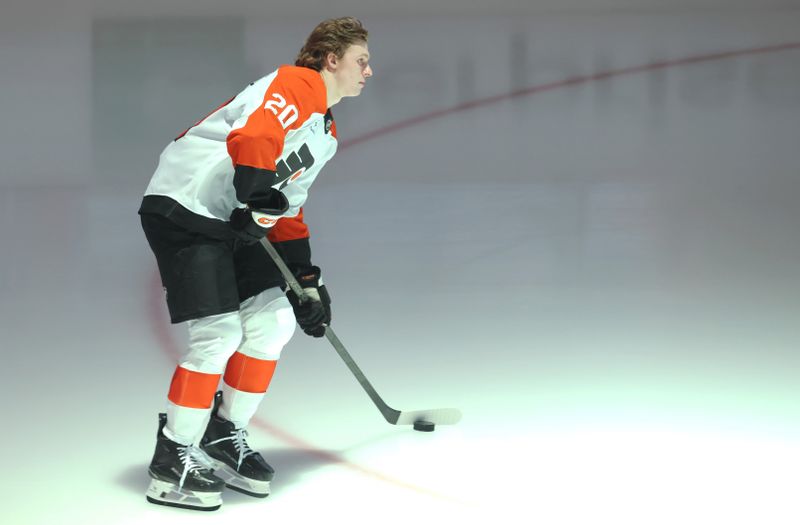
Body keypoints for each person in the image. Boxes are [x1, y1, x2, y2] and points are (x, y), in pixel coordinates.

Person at [138, 17, 372, 511]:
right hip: (185, 206)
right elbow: (255, 136)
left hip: (233, 217)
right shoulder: (299, 83)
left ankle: (224, 435)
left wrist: (306, 279)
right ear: (332, 59)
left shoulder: (325, 132)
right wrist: (255, 195)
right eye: (361, 61)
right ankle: (173, 453)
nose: (368, 71)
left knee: (274, 320)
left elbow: (287, 207)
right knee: (219, 334)